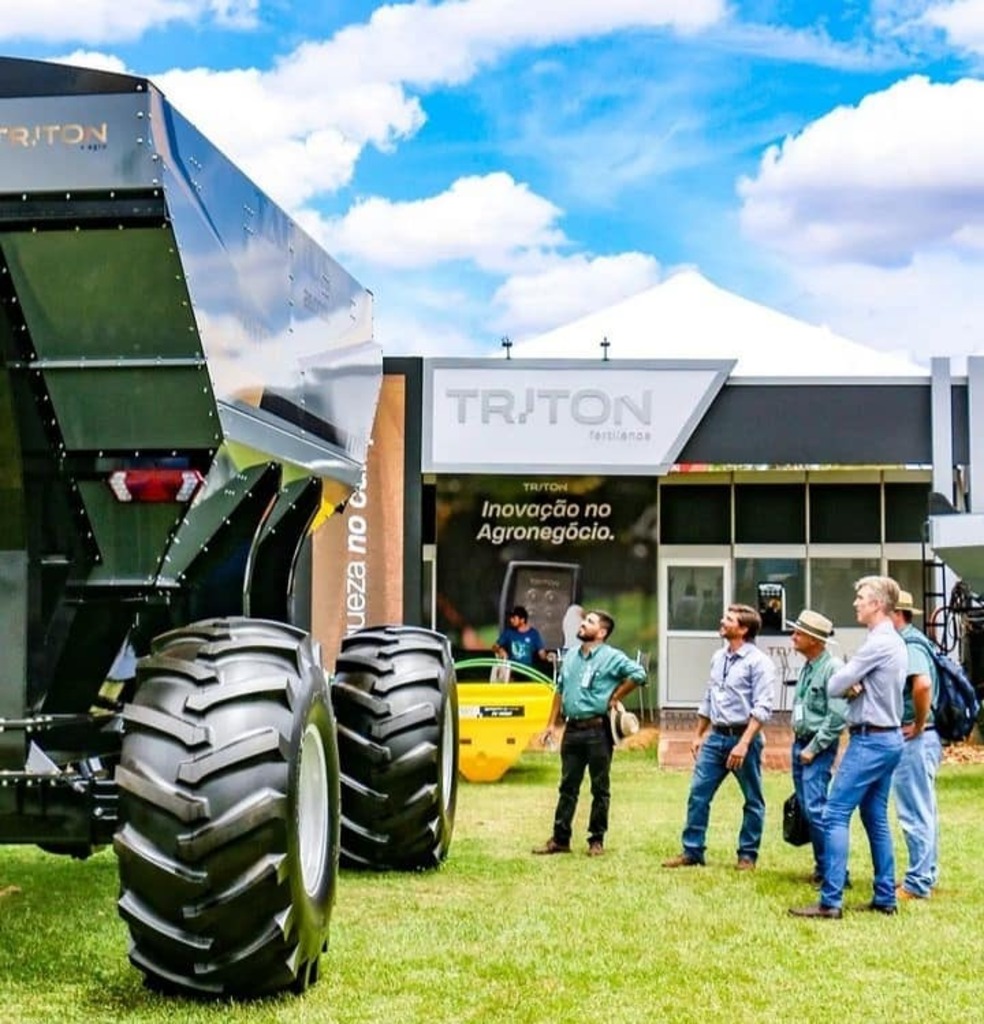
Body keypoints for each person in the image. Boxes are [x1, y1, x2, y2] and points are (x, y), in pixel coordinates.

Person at [790, 575, 906, 919]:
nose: (855, 602)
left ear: (877, 604)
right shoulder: (893, 640)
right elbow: (848, 684)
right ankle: (885, 897)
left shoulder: (877, 643)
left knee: (833, 813)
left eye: (860, 597)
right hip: (889, 738)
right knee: (875, 819)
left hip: (870, 739)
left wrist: (852, 682)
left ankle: (830, 901)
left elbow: (836, 683)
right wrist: (856, 683)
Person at [662, 604, 775, 871]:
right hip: (716, 738)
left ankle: (747, 855)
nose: (722, 621)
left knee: (753, 799)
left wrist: (744, 744)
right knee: (698, 794)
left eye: (729, 619)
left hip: (743, 737)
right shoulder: (718, 657)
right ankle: (692, 851)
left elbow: (763, 708)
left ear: (744, 629)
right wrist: (699, 734)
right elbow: (709, 696)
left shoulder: (759, 663)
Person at [532, 610, 647, 857]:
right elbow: (559, 689)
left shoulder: (612, 657)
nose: (583, 624)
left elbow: (639, 674)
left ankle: (596, 840)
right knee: (567, 786)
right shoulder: (571, 655)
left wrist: (616, 696)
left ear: (602, 632)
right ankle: (560, 839)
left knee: (600, 788)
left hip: (598, 731)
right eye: (585, 620)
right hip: (572, 730)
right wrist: (551, 724)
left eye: (590, 622)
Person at [786, 609, 848, 887]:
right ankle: (822, 867)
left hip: (816, 748)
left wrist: (814, 747)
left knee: (816, 808)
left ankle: (835, 872)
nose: (793, 637)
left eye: (799, 633)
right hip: (800, 743)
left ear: (814, 640)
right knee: (807, 806)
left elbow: (836, 717)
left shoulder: (832, 668)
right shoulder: (810, 666)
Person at [891, 589, 942, 900]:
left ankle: (917, 882)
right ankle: (926, 875)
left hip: (917, 737)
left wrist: (919, 724)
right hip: (926, 736)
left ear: (895, 613)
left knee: (914, 811)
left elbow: (922, 684)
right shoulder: (915, 641)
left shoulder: (909, 644)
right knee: (925, 809)